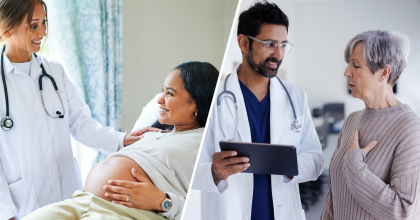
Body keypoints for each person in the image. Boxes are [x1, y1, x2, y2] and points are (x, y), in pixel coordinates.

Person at [0, 1, 151, 219]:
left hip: (68, 197)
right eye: (33, 25)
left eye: (44, 22)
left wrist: (122, 140)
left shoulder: (54, 72)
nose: (43, 32)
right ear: (6, 29)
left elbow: (81, 124)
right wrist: (6, 213)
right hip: (24, 205)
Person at [22, 61, 220, 220]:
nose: (159, 99)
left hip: (127, 213)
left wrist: (163, 201)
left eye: (169, 93)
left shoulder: (204, 144)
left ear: (196, 103)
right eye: (162, 90)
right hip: (81, 201)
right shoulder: (152, 133)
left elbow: (210, 210)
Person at [191, 1, 324, 220]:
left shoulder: (296, 97)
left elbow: (316, 161)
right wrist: (215, 172)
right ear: (243, 43)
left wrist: (288, 164)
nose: (278, 55)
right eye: (270, 44)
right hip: (229, 212)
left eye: (283, 45)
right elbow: (191, 169)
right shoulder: (215, 98)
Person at [320, 30, 420, 220]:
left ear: (384, 72)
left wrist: (355, 165)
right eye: (349, 63)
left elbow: (403, 212)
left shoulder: (411, 128)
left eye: (356, 65)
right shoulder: (352, 120)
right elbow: (335, 195)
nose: (346, 72)